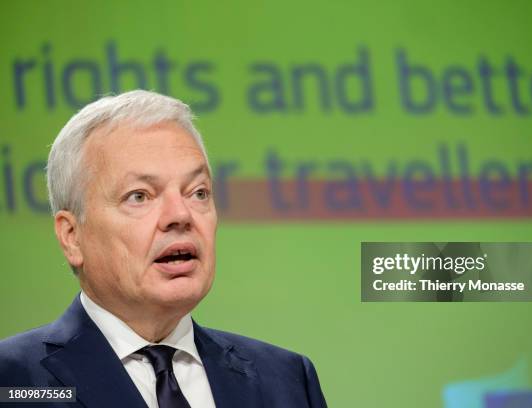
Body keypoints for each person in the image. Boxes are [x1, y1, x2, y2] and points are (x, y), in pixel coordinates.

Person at [0, 90, 327, 408]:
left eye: (198, 192)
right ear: (72, 236)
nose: (181, 215)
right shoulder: (13, 382)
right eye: (139, 195)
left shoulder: (288, 381)